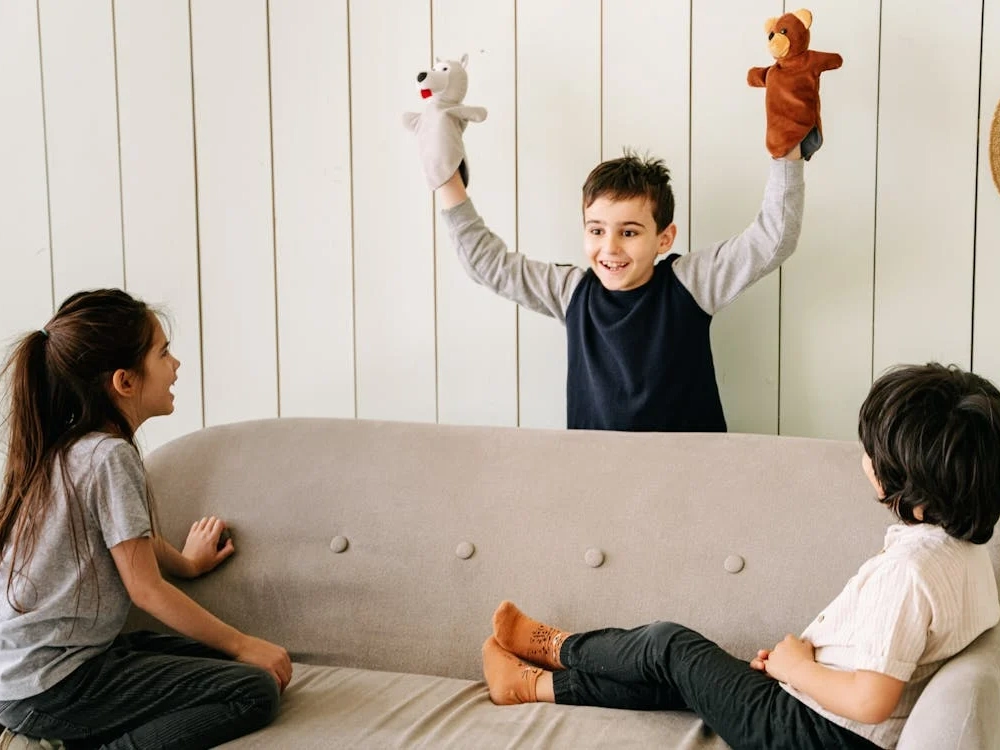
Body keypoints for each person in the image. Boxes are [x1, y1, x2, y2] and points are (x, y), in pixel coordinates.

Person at [481, 363, 1000, 749]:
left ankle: (559, 646)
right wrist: (796, 666)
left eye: (875, 452)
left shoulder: (911, 572)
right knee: (679, 679)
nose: (864, 456)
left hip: (814, 733)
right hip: (821, 716)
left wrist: (798, 670)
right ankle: (530, 686)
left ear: (917, 491)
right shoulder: (969, 553)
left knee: (668, 646)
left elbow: (872, 701)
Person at [0, 289, 292, 750]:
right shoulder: (108, 456)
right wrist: (242, 643)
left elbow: (128, 539)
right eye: (164, 352)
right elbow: (145, 589)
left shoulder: (69, 450)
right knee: (251, 689)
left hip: (37, 679)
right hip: (53, 687)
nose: (175, 366)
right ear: (125, 381)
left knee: (234, 666)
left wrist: (187, 564)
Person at [425, 140, 804, 431]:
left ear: (664, 239)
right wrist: (446, 180)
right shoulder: (571, 291)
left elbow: (773, 237)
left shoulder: (691, 283)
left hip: (692, 479)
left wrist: (787, 148)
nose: (610, 247)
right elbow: (489, 265)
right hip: (599, 479)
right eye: (596, 230)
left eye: (629, 232)